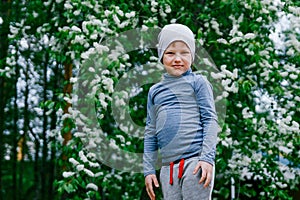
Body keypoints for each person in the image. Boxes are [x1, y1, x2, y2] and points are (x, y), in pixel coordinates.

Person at [143, 23, 219, 200]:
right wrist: (148, 170)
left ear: (192, 56)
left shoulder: (198, 82)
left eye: (184, 52)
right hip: (168, 169)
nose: (177, 58)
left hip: (195, 163)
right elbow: (150, 132)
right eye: (170, 53)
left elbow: (210, 120)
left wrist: (206, 158)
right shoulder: (155, 91)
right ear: (161, 56)